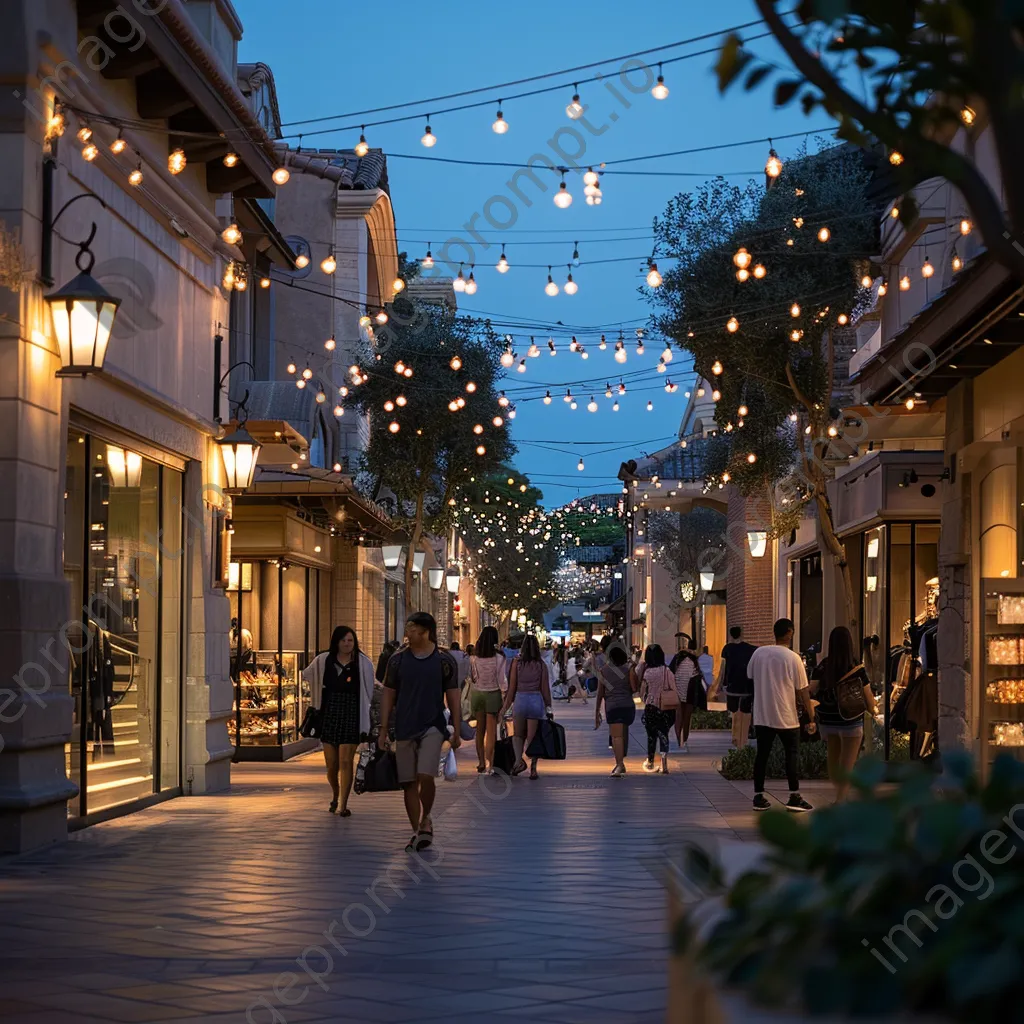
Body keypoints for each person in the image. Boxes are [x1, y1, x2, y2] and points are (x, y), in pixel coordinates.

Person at [378, 612, 461, 852]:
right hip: (404, 726)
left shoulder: (444, 660)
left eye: (412, 629)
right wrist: (383, 729)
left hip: (432, 726)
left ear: (425, 632)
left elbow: (453, 695)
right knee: (408, 782)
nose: (408, 633)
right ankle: (418, 829)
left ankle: (426, 817)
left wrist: (455, 728)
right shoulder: (397, 660)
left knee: (426, 774)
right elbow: (388, 694)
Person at [302, 626, 375, 816]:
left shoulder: (362, 663)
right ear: (336, 642)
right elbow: (306, 674)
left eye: (350, 640)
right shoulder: (324, 660)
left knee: (346, 760)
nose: (347, 644)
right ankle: (335, 794)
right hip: (330, 714)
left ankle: (343, 804)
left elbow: (370, 688)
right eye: (343, 640)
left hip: (352, 714)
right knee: (331, 765)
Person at [747, 617, 816, 813]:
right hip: (787, 716)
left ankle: (758, 796)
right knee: (791, 755)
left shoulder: (759, 654)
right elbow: (803, 691)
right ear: (790, 633)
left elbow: (750, 677)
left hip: (762, 715)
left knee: (762, 755)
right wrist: (811, 718)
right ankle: (794, 796)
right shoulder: (793, 658)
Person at [811, 626, 878, 802]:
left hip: (828, 720)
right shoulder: (857, 667)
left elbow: (811, 690)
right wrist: (874, 710)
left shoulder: (824, 665)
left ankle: (838, 790)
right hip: (851, 721)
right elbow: (868, 696)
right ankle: (840, 800)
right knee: (848, 763)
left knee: (833, 759)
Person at [501, 634, 553, 779]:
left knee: (518, 735)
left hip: (520, 700)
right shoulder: (541, 664)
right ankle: (533, 769)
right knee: (533, 738)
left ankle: (518, 762)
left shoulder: (516, 663)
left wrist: (504, 708)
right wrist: (549, 707)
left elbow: (512, 688)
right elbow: (545, 689)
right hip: (536, 701)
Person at [708, 626, 758, 748]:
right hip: (747, 686)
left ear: (730, 635)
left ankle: (735, 738)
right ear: (741, 634)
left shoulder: (727, 649)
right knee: (746, 713)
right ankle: (743, 740)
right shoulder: (751, 649)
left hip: (732, 686)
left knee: (735, 712)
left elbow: (723, 669)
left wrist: (718, 687)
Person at [469, 625, 507, 775]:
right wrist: (504, 695)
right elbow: (501, 679)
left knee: (480, 730)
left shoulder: (474, 658)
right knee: (491, 732)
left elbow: (473, 677)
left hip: (478, 694)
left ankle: (480, 762)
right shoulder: (499, 657)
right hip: (493, 693)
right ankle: (490, 764)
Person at [595, 643, 637, 777]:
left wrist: (596, 712)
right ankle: (622, 756)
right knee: (623, 731)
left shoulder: (604, 670)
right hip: (628, 706)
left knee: (616, 737)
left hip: (613, 706)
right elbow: (634, 688)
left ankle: (619, 764)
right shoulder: (628, 669)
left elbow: (600, 693)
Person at [639, 644, 676, 774]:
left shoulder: (647, 672)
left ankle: (650, 762)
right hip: (666, 708)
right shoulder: (667, 671)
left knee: (651, 735)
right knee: (664, 734)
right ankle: (664, 762)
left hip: (651, 707)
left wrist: (647, 698)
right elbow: (674, 688)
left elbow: (642, 692)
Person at [669, 640, 705, 752]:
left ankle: (678, 739)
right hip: (690, 691)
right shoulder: (694, 660)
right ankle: (684, 740)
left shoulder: (677, 657)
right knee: (687, 717)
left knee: (678, 715)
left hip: (678, 689)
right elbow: (698, 676)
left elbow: (671, 672)